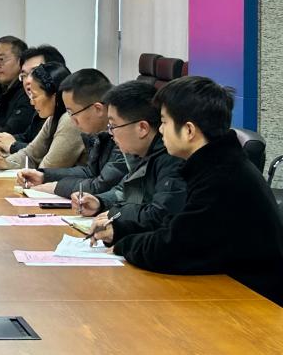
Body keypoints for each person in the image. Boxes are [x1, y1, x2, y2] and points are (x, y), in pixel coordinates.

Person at [103, 76, 283, 306]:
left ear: (188, 130)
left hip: (253, 302)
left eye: (164, 122)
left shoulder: (222, 178)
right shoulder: (215, 163)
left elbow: (172, 249)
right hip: (225, 287)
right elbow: (175, 226)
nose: (160, 130)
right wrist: (121, 230)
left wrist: (124, 245)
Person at [73, 80, 185, 239]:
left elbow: (161, 215)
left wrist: (116, 214)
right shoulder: (142, 152)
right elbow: (124, 191)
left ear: (142, 128)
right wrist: (100, 202)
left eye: (113, 126)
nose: (110, 133)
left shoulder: (171, 159)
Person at [17, 68, 126, 197]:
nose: (71, 120)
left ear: (98, 109)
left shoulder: (123, 132)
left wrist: (56, 187)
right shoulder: (99, 132)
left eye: (72, 112)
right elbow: (90, 172)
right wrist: (44, 176)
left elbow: (102, 185)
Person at [0, 62, 84, 170]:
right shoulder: (53, 118)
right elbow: (30, 155)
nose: (31, 102)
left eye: (34, 96)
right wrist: (5, 163)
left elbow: (49, 169)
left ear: (55, 96)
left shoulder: (69, 120)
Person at [0, 44, 66, 154]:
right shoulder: (37, 106)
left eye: (35, 73)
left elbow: (49, 154)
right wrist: (1, 140)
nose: (29, 81)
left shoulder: (69, 115)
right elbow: (28, 138)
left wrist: (13, 145)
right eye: (24, 75)